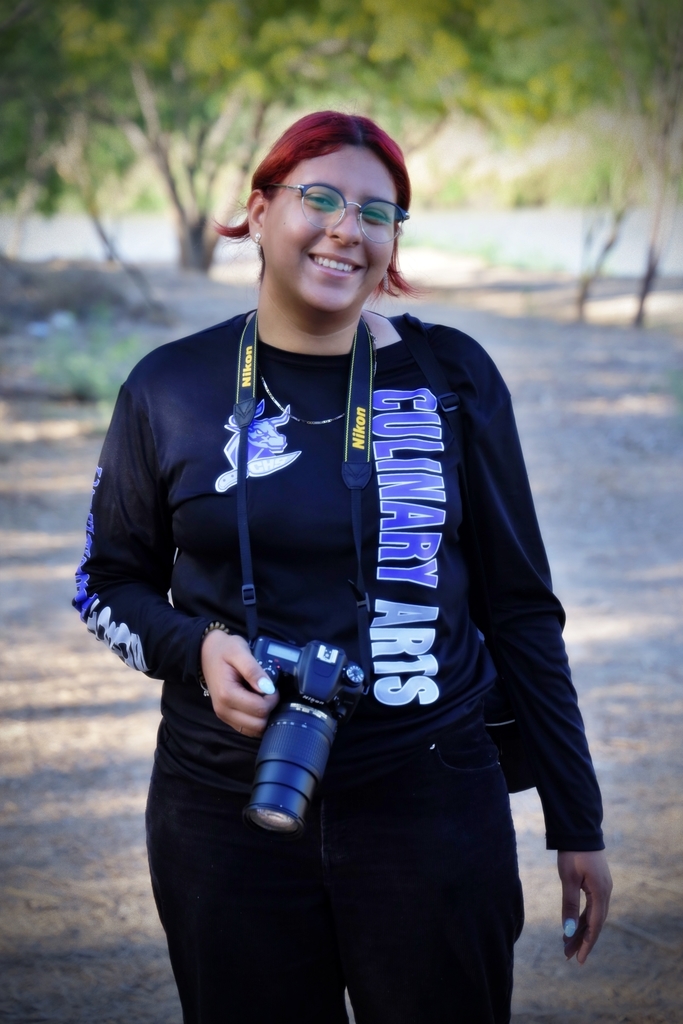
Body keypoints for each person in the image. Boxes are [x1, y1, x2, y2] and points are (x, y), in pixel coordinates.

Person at [73, 111, 612, 1024]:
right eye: (318, 197)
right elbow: (104, 582)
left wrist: (577, 821)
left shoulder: (448, 376)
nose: (345, 229)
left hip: (431, 796)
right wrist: (196, 647)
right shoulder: (169, 387)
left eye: (377, 211)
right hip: (223, 804)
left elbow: (521, 607)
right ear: (259, 209)